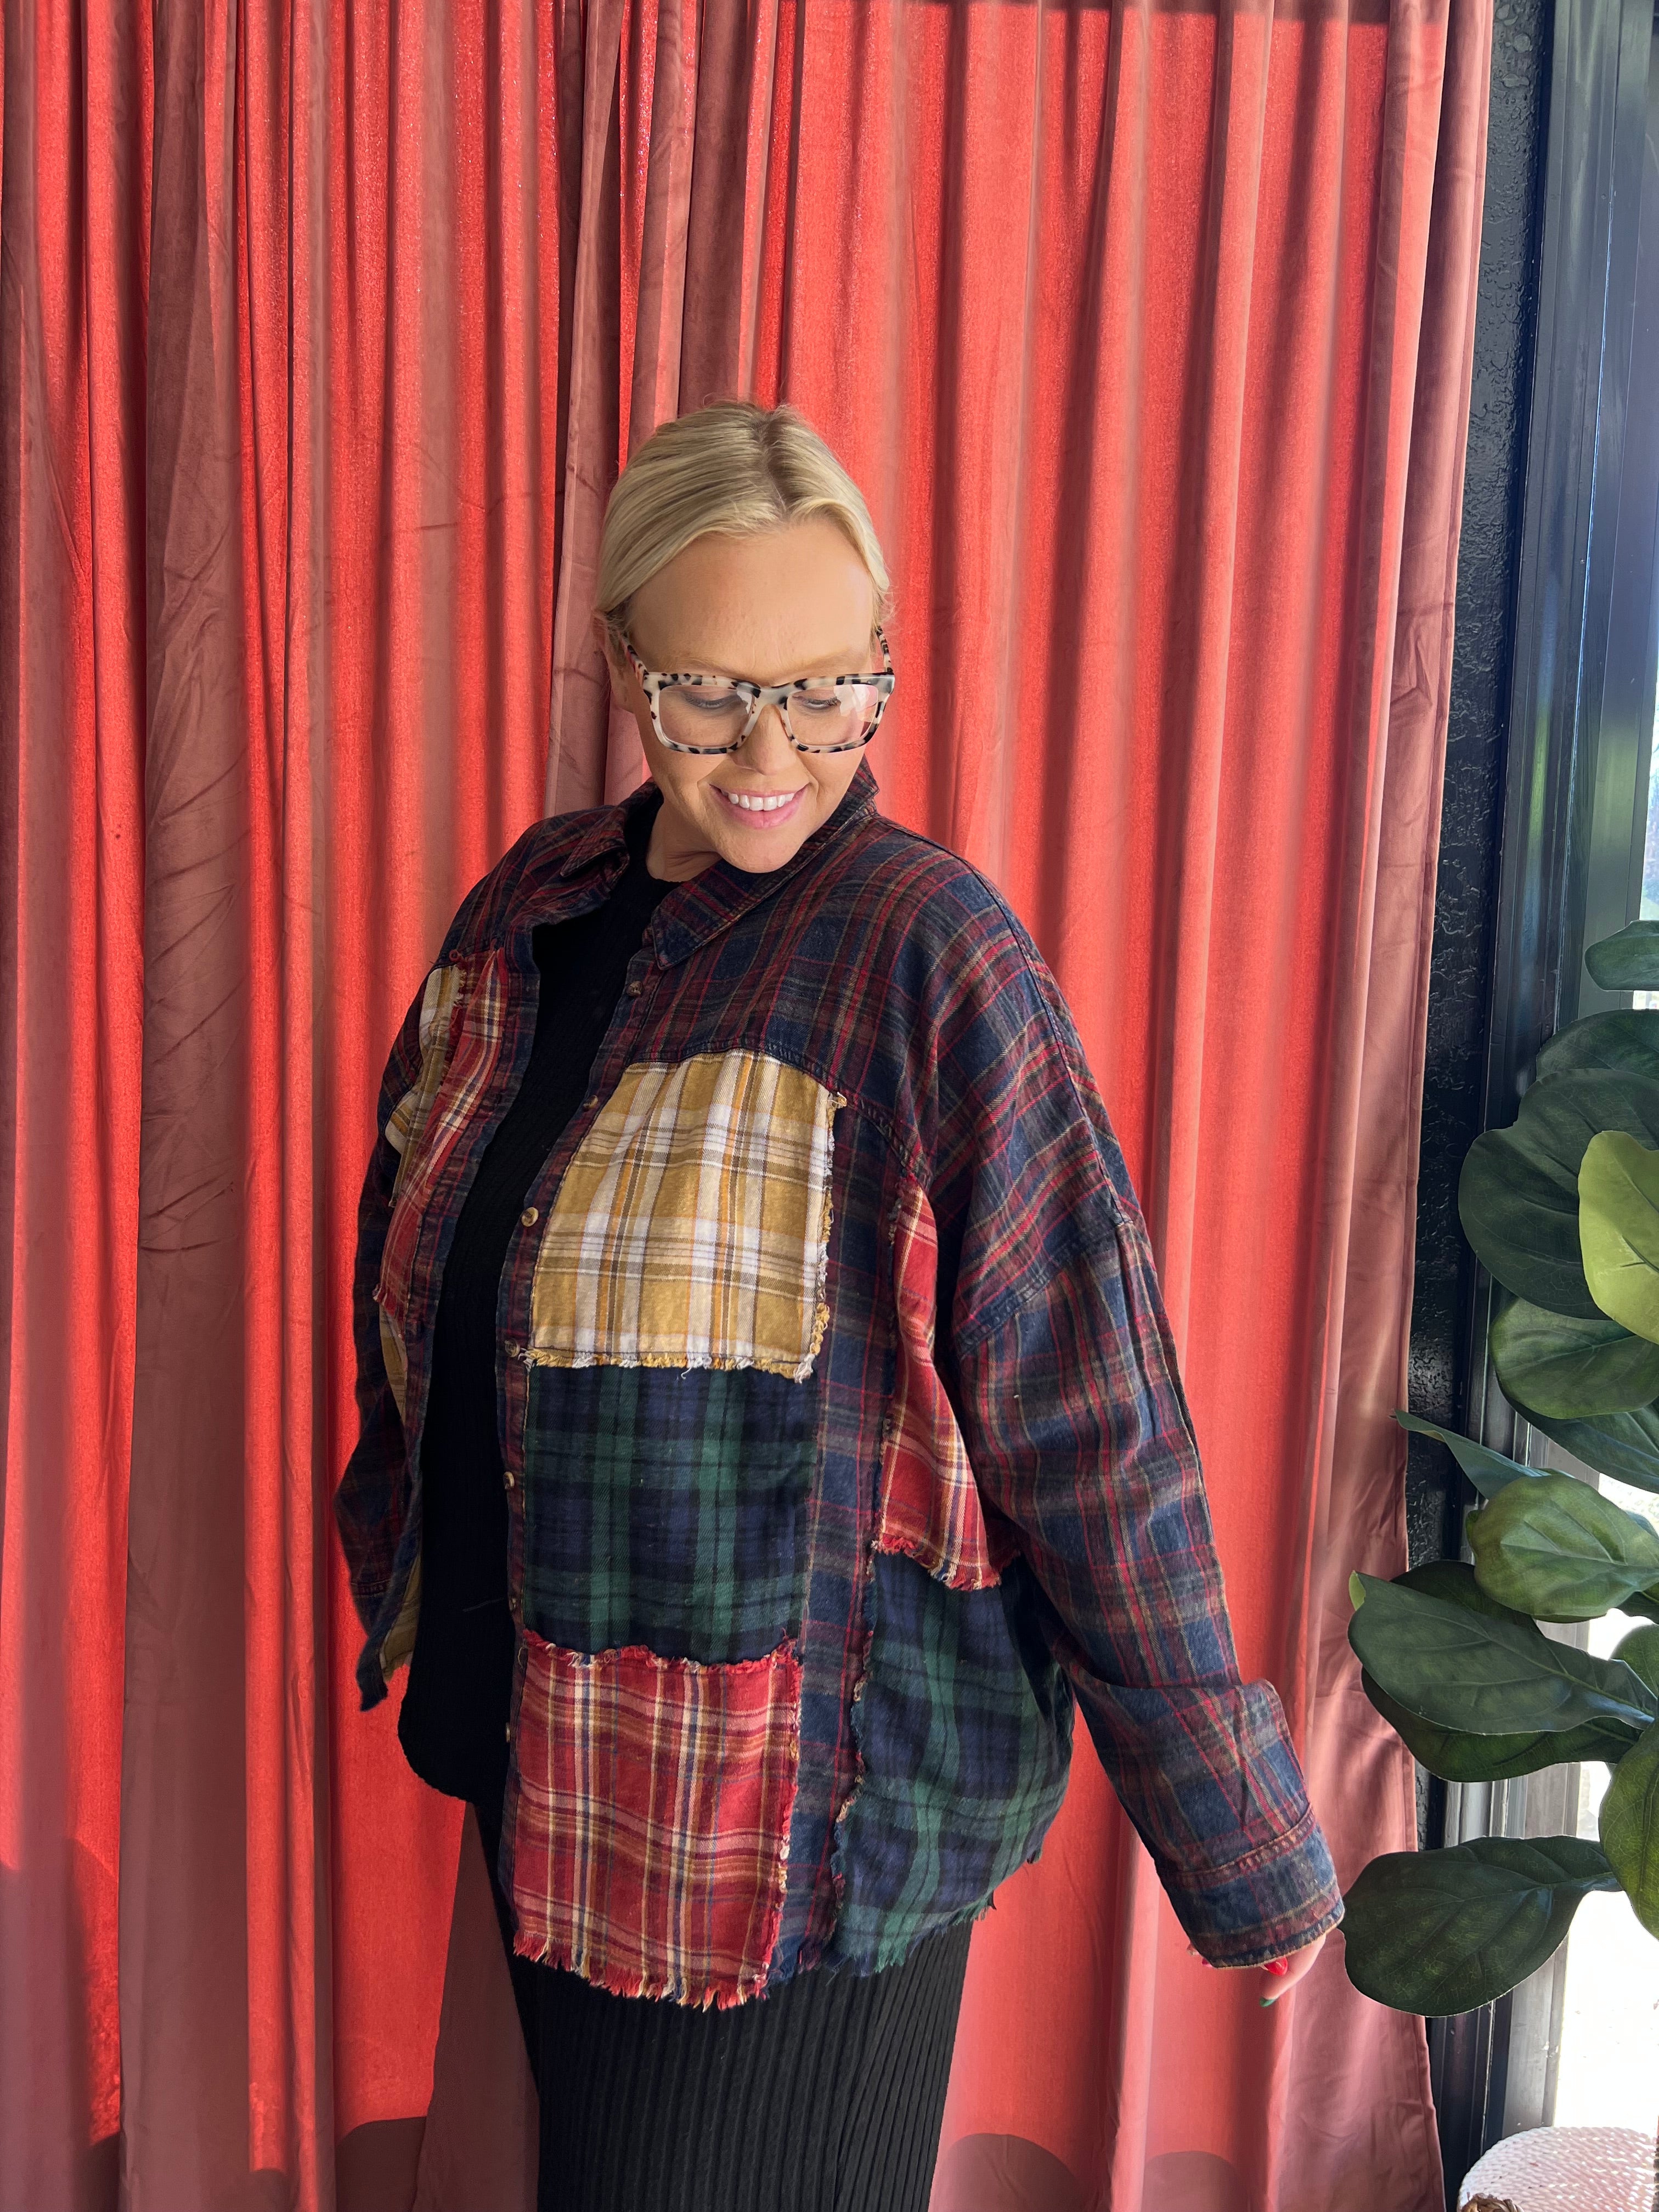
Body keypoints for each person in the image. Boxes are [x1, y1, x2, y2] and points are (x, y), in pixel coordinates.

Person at [334, 399, 1341, 2212]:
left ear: (881, 659)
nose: (773, 750)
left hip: (790, 1837)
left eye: (828, 689)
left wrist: (1238, 1839)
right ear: (623, 657)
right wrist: (400, 1552)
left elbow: (1090, 1416)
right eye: (713, 692)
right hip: (553, 1763)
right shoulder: (526, 913)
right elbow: (414, 1254)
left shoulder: (923, 951)